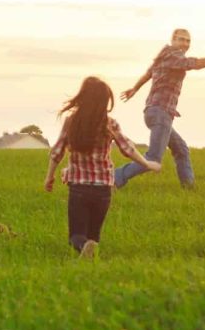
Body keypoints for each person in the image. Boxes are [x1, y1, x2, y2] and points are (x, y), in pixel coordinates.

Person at [45, 76, 160, 258]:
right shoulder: (109, 123)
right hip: (103, 189)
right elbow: (127, 148)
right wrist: (147, 163)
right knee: (94, 237)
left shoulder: (72, 122)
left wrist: (49, 176)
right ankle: (90, 258)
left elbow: (57, 152)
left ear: (82, 97)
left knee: (76, 236)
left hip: (79, 188)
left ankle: (83, 248)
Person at [114, 29, 205, 190]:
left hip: (155, 112)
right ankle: (115, 177)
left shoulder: (163, 56)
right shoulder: (174, 56)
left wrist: (134, 89)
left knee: (181, 149)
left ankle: (189, 189)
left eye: (188, 41)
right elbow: (197, 64)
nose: (185, 44)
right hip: (161, 113)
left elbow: (148, 74)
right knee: (153, 158)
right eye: (181, 40)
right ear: (173, 40)